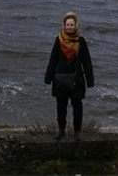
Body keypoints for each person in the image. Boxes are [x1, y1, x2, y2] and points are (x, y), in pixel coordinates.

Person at [44, 11, 94, 141]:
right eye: (67, 25)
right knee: (61, 106)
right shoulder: (59, 40)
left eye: (72, 25)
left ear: (76, 26)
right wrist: (48, 78)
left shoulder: (81, 41)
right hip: (60, 78)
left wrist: (90, 81)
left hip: (77, 79)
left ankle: (77, 131)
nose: (69, 27)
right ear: (64, 25)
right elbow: (53, 59)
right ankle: (61, 130)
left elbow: (87, 62)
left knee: (77, 106)